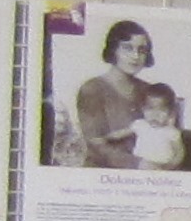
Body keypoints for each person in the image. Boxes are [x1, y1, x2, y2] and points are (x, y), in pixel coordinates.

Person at [62, 18, 153, 167]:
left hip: (148, 177)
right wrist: (138, 164)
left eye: (142, 50)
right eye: (127, 48)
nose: (136, 56)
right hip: (103, 175)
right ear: (113, 49)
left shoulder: (150, 91)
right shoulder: (92, 89)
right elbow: (95, 144)